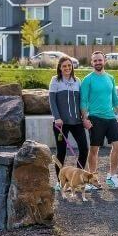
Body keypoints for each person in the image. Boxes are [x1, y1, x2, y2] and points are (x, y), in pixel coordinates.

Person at [80, 51, 118, 189]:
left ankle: (112, 177)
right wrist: (85, 118)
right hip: (95, 118)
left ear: (104, 61)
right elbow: (83, 101)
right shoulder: (88, 79)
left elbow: (115, 99)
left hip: (111, 117)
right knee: (94, 149)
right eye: (95, 61)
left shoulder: (110, 78)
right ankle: (92, 179)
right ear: (91, 62)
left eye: (100, 60)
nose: (98, 63)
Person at [49, 56, 90, 192]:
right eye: (64, 66)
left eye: (69, 65)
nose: (67, 68)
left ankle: (78, 178)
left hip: (76, 122)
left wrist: (84, 117)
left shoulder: (77, 81)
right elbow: (52, 101)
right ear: (60, 68)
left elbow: (81, 101)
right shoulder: (55, 81)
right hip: (61, 123)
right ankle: (60, 182)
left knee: (84, 148)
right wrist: (57, 117)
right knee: (61, 152)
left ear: (72, 67)